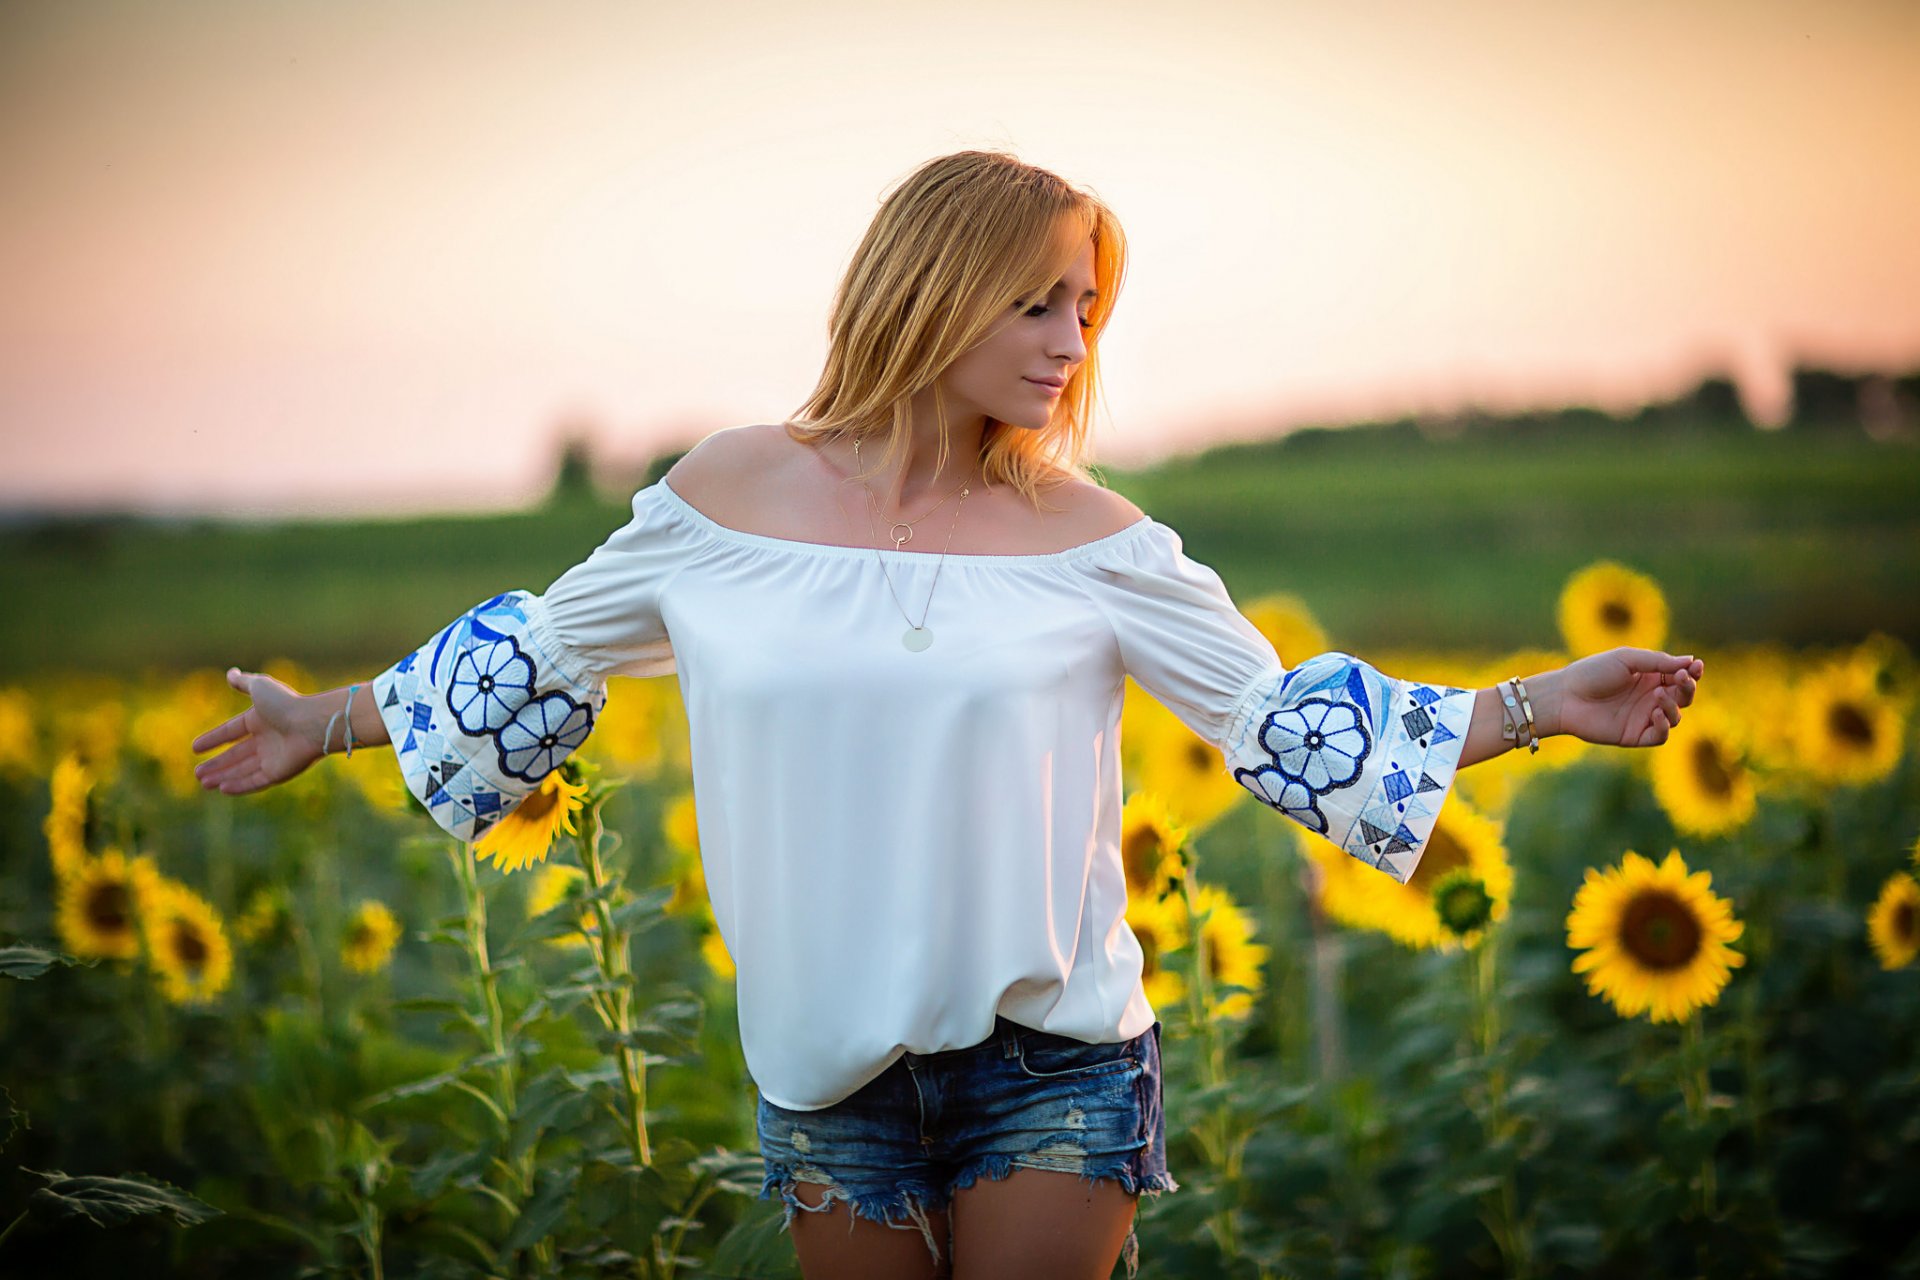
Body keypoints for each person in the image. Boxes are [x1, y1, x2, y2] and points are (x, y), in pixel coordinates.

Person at [191, 150, 1703, 1280]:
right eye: (1037, 300)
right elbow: (533, 655)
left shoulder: (1100, 540)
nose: (1070, 341)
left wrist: (1538, 704)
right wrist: (314, 724)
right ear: (929, 289)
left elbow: (1288, 723)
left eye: (1088, 309)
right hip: (820, 1069)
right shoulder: (723, 498)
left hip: (1052, 1066)